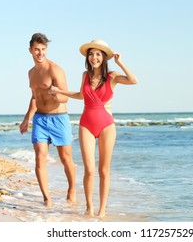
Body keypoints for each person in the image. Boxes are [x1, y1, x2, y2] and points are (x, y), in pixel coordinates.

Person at [48, 39, 137, 218]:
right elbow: (82, 95)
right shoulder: (85, 75)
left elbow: (133, 81)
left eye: (98, 54)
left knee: (104, 170)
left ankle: (102, 210)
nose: (94, 57)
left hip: (106, 125)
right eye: (91, 54)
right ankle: (89, 208)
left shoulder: (112, 76)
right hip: (86, 124)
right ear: (87, 57)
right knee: (89, 170)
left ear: (104, 57)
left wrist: (120, 63)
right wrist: (59, 91)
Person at [20, 33, 76, 207]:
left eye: (43, 49)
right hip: (40, 120)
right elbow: (34, 97)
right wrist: (27, 118)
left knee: (65, 158)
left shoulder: (55, 70)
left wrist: (57, 95)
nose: (40, 53)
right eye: (36, 50)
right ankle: (47, 199)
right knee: (39, 158)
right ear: (30, 50)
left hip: (58, 118)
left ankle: (72, 190)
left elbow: (66, 97)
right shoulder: (31, 73)